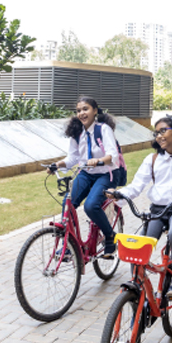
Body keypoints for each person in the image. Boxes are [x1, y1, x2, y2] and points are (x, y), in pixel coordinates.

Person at [107, 114, 172, 300]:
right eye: (156, 133)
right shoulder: (152, 160)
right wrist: (119, 194)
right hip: (158, 210)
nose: (159, 136)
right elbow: (136, 186)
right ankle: (138, 281)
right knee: (142, 243)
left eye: (163, 131)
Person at [54, 96, 120, 258]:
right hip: (86, 173)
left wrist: (99, 160)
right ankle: (68, 245)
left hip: (106, 173)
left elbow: (113, 154)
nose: (82, 113)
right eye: (78, 111)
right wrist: (58, 164)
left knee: (91, 206)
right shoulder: (77, 132)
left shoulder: (103, 129)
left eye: (85, 109)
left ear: (95, 111)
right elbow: (73, 157)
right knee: (68, 203)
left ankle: (110, 236)